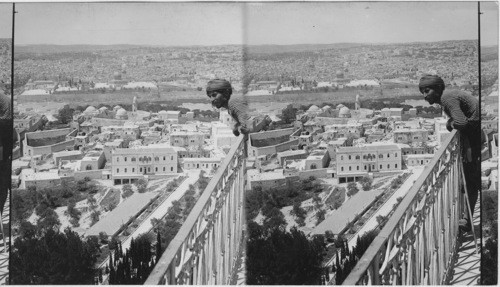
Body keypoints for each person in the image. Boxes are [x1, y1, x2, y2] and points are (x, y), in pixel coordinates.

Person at [419, 74, 480, 233]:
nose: (425, 96)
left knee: (470, 183)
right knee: (468, 181)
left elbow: (460, 122)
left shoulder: (447, 99)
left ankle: (467, 221)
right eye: (422, 92)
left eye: (427, 91)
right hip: (472, 136)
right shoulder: (446, 97)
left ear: (438, 89)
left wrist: (449, 123)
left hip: (472, 139)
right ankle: (467, 217)